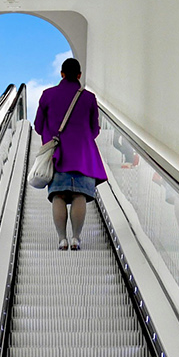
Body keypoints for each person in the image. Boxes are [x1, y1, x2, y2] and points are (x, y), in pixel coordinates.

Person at [32, 57, 107, 250]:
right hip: (83, 156)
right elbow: (94, 130)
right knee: (79, 196)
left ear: (62, 74)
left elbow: (39, 126)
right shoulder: (89, 98)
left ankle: (61, 239)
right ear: (79, 75)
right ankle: (76, 238)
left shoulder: (47, 95)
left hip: (58, 156)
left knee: (58, 196)